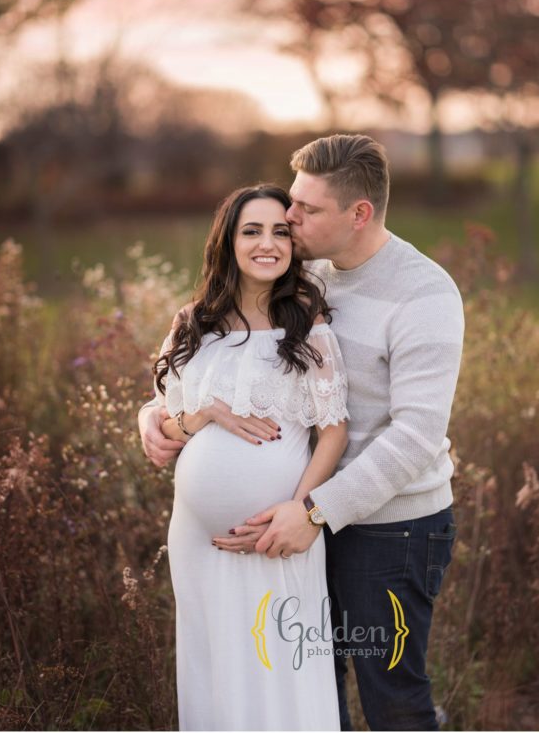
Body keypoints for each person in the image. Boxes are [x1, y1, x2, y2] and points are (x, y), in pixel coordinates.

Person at [139, 135, 465, 731]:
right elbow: (219, 361)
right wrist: (153, 419)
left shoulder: (425, 293)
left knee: (391, 695)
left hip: (389, 531)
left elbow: (416, 435)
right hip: (298, 522)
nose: (288, 220)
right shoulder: (306, 271)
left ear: (358, 214)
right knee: (311, 685)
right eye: (292, 202)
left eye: (306, 211)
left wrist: (312, 512)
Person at [153, 184, 349, 730]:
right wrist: (208, 413)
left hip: (277, 535)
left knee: (277, 663)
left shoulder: (309, 325)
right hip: (197, 539)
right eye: (252, 230)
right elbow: (168, 424)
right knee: (212, 668)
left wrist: (300, 511)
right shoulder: (192, 323)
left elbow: (333, 432)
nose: (268, 243)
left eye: (280, 232)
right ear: (228, 242)